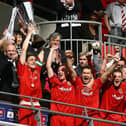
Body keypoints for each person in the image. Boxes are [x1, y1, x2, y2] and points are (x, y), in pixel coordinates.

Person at [65, 51, 119, 126]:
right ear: (81, 75)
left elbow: (106, 74)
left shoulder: (96, 84)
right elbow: (71, 70)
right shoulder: (78, 83)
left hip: (93, 118)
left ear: (91, 76)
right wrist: (67, 58)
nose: (86, 75)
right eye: (84, 73)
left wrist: (115, 63)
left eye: (88, 73)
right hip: (79, 117)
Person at [17, 24, 44, 126]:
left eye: (34, 60)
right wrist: (28, 34)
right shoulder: (22, 69)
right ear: (26, 62)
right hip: (25, 105)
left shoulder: (37, 69)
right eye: (31, 60)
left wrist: (36, 35)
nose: (34, 62)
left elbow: (41, 54)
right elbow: (23, 50)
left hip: (36, 106)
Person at [46, 45, 76, 126]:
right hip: (56, 116)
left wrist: (68, 59)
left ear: (67, 72)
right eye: (59, 71)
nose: (60, 72)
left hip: (69, 117)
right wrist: (51, 50)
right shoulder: (55, 81)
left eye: (63, 70)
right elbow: (48, 66)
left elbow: (72, 71)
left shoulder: (73, 83)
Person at [40, 32, 66, 108]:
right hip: (44, 80)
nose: (56, 42)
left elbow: (64, 67)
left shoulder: (62, 53)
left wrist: (60, 62)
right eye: (54, 40)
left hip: (56, 83)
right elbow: (40, 66)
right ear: (50, 41)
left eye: (58, 41)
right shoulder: (45, 51)